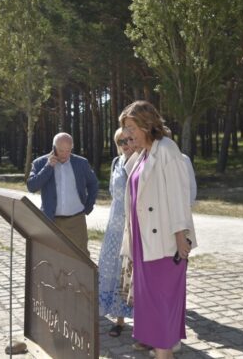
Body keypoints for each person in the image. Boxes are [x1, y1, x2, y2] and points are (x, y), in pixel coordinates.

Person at [119, 101, 197, 359]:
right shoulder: (142, 154)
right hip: (144, 241)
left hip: (165, 240)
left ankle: (165, 354)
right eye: (125, 128)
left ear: (146, 123)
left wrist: (179, 235)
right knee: (151, 301)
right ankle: (162, 350)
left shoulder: (167, 148)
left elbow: (178, 194)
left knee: (162, 300)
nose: (127, 134)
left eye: (131, 127)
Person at [26, 132, 98, 255]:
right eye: (61, 150)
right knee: (53, 256)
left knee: (81, 257)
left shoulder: (81, 163)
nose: (64, 154)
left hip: (76, 220)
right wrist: (48, 167)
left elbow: (93, 184)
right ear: (54, 148)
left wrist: (88, 206)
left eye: (68, 150)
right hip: (51, 220)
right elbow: (32, 187)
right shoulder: (40, 163)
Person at [98, 128, 138, 337]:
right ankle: (119, 319)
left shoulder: (142, 161)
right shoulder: (116, 162)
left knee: (133, 272)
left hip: (134, 222)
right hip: (115, 223)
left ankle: (143, 323)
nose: (125, 144)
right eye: (120, 141)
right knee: (113, 269)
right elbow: (114, 193)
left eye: (128, 140)